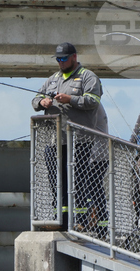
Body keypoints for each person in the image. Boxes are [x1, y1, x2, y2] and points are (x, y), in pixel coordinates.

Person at [32, 42, 108, 231]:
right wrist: (42, 101)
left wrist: (70, 99)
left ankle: (80, 220)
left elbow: (93, 101)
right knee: (57, 180)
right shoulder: (52, 79)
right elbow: (35, 99)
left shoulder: (88, 77)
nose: (60, 62)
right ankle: (62, 218)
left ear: (74, 57)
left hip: (80, 139)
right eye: (58, 59)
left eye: (64, 59)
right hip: (54, 139)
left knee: (79, 180)